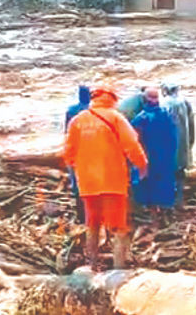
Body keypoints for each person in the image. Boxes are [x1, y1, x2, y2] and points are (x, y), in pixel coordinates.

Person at [64, 85, 148, 270]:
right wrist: (142, 165)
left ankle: (92, 265)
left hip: (87, 183)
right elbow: (131, 145)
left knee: (92, 224)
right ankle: (118, 269)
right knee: (118, 227)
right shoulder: (116, 118)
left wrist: (79, 169)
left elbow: (68, 154)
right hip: (113, 181)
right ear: (112, 99)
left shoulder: (77, 121)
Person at [131, 88, 179, 216]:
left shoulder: (140, 118)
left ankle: (154, 215)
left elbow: (136, 141)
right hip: (166, 156)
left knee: (149, 185)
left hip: (150, 157)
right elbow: (174, 137)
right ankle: (166, 210)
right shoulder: (167, 114)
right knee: (166, 182)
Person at [160, 83, 195, 208]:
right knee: (180, 172)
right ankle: (179, 201)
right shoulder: (185, 102)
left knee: (167, 174)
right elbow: (191, 124)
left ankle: (168, 203)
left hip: (167, 146)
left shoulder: (163, 104)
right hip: (183, 144)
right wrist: (190, 142)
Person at [64, 85, 90, 222]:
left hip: (76, 149)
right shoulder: (92, 111)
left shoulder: (71, 110)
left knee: (76, 183)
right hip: (90, 150)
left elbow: (67, 132)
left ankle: (81, 217)